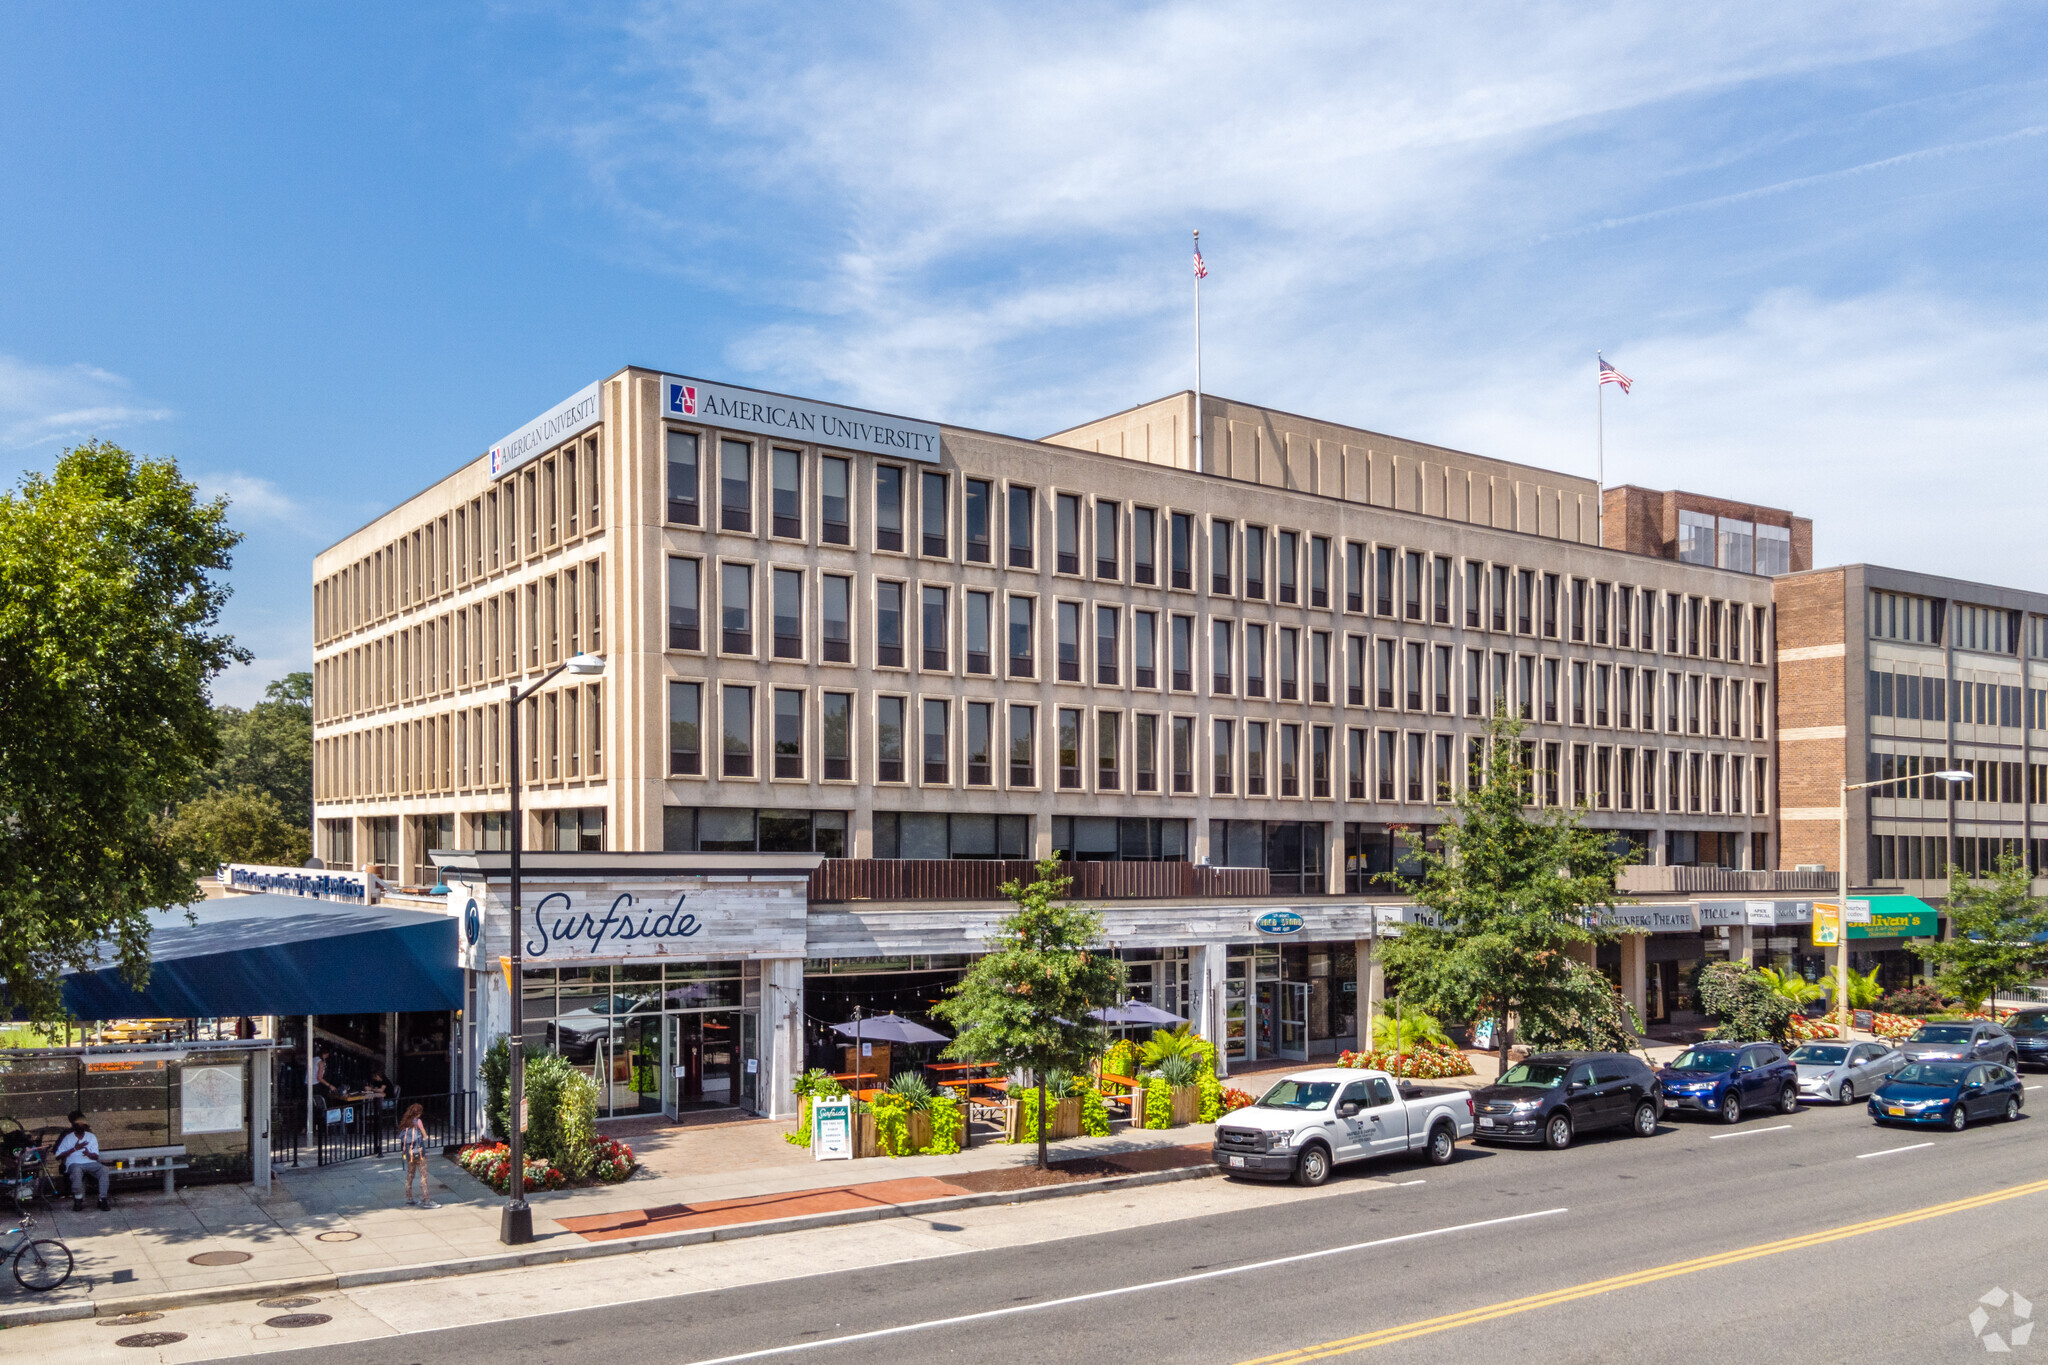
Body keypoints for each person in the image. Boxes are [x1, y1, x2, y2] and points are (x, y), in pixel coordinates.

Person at [53, 1111, 111, 1212]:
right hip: (74, 1163)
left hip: (90, 1162)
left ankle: (103, 1199)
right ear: (74, 1127)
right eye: (78, 1125)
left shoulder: (91, 1136)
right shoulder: (68, 1137)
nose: (80, 1127)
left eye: (82, 1125)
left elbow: (95, 1156)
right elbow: (58, 1156)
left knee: (104, 1170)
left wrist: (88, 1154)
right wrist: (74, 1149)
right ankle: (78, 1199)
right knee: (76, 1170)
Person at [398, 1103, 436, 1208]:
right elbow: (425, 1135)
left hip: (409, 1154)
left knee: (410, 1175)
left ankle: (409, 1198)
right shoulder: (418, 1122)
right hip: (419, 1154)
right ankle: (426, 1199)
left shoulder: (405, 1123)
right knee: (423, 1176)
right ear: (418, 1113)